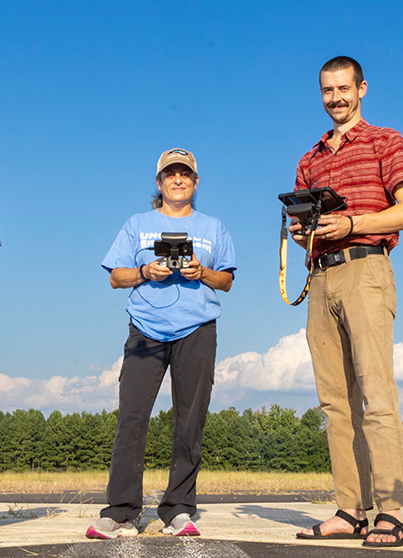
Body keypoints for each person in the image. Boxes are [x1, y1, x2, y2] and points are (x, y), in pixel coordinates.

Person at [290, 56, 403, 548]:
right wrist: (304, 230)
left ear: (361, 88)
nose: (336, 98)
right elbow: (305, 232)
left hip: (366, 268)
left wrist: (351, 223)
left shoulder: (386, 140)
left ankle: (391, 510)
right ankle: (351, 509)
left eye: (344, 89)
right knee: (336, 404)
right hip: (320, 277)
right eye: (327, 91)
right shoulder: (310, 159)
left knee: (376, 394)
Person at [86, 148, 237, 540]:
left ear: (195, 182)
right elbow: (115, 278)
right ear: (159, 182)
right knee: (132, 418)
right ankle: (120, 511)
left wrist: (201, 271)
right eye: (170, 174)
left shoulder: (213, 227)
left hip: (198, 329)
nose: (178, 180)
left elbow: (227, 281)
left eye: (185, 174)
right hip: (146, 329)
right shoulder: (137, 224)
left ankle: (179, 509)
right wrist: (144, 271)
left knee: (190, 421)